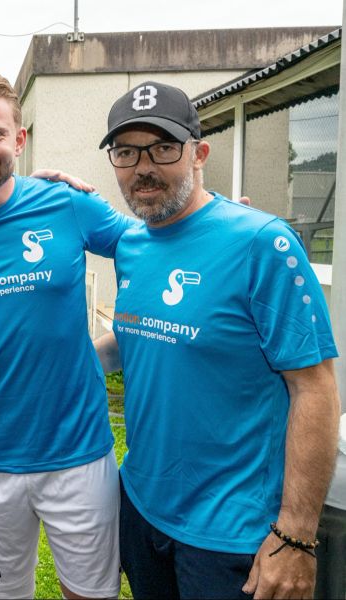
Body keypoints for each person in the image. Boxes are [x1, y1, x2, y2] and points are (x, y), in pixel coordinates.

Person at [95, 81, 340, 599]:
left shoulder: (262, 243)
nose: (144, 167)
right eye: (126, 151)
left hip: (233, 531)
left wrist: (295, 535)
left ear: (199, 153)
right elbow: (134, 340)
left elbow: (314, 388)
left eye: (163, 148)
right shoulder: (132, 245)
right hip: (141, 504)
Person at [0, 71, 133, 600]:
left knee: (90, 593)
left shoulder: (67, 205)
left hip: (79, 452)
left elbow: (154, 254)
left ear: (20, 139)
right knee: (5, 593)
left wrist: (113, 345)